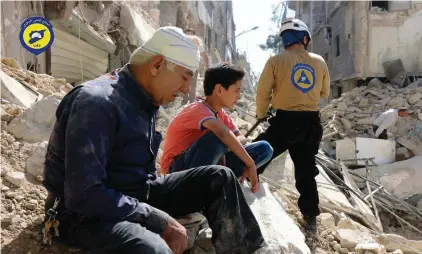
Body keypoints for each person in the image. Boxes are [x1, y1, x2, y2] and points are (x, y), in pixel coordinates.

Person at [42, 26, 265, 254]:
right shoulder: (97, 103)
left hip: (135, 194)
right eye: (185, 76)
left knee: (220, 178)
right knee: (153, 249)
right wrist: (158, 220)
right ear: (157, 65)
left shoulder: (145, 100)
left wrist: (154, 213)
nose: (187, 88)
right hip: (81, 214)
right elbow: (83, 195)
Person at [253, 18, 330, 231]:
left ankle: (241, 195)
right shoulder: (320, 62)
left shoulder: (275, 61)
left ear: (285, 40)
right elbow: (325, 92)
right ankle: (310, 216)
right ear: (305, 38)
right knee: (306, 170)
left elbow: (263, 92)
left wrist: (261, 113)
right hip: (312, 123)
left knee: (256, 156)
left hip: (285, 121)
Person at [160, 63, 273, 193]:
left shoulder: (220, 114)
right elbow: (222, 134)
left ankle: (217, 183)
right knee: (218, 138)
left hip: (206, 165)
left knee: (265, 148)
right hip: (177, 171)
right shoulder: (197, 109)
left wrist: (226, 147)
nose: (239, 96)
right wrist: (250, 164)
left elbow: (241, 138)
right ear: (219, 89)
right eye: (236, 90)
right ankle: (195, 192)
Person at [183, 27, 210, 104]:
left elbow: (205, 56)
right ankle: (185, 101)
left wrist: (207, 66)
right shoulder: (183, 43)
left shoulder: (197, 44)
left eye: (190, 35)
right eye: (187, 35)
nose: (189, 37)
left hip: (194, 67)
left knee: (193, 85)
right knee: (184, 82)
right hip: (184, 66)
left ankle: (191, 102)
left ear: (194, 36)